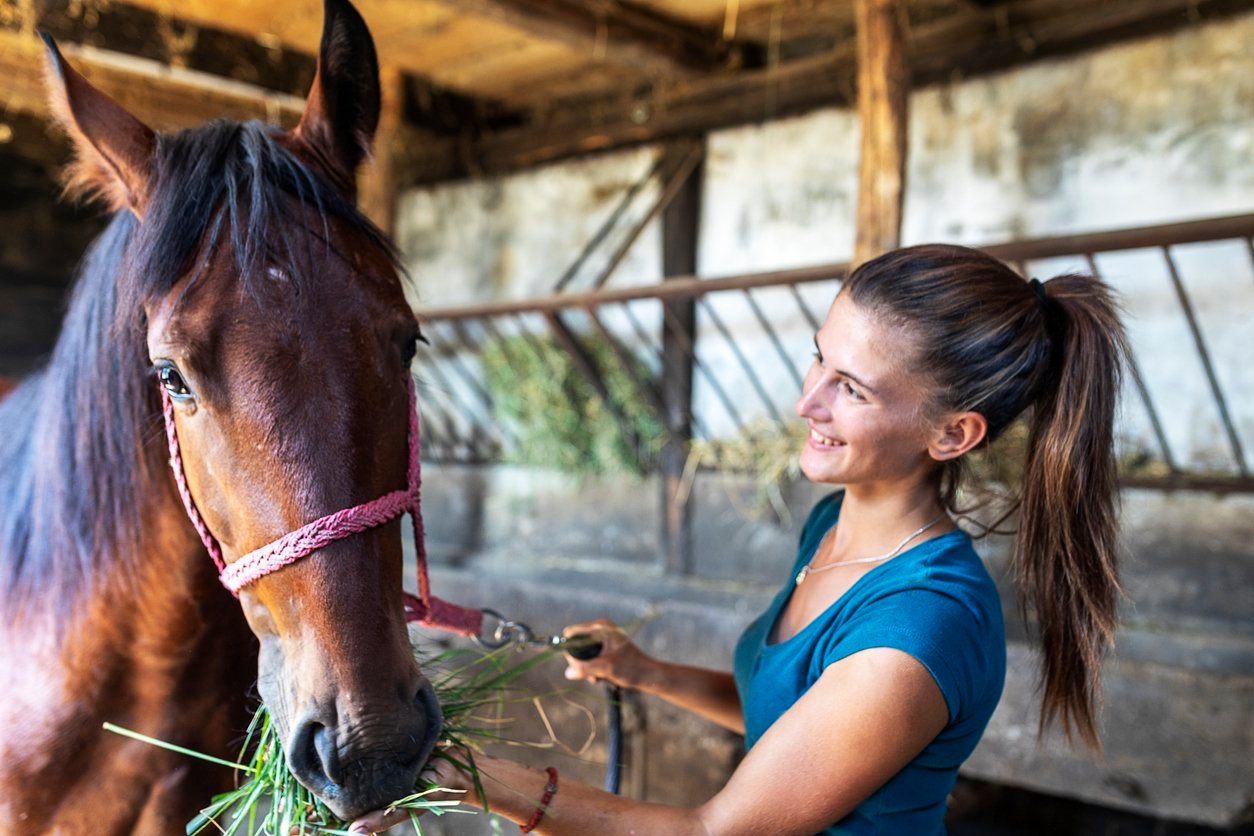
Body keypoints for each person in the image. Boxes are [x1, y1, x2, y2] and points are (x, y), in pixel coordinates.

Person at [351, 243, 1129, 835]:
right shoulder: (833, 524)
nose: (805, 402)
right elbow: (788, 720)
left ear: (953, 434)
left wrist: (476, 776)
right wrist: (648, 671)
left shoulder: (923, 625)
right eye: (819, 359)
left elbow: (717, 829)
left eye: (850, 390)